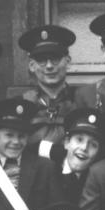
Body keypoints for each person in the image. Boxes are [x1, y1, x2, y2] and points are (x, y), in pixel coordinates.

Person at [18, 24, 79, 165]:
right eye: (41, 60)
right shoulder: (22, 105)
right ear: (32, 66)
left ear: (68, 62)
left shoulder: (81, 99)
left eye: (55, 58)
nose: (49, 66)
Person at [54, 108, 102, 205]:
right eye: (79, 140)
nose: (84, 148)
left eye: (93, 145)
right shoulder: (47, 170)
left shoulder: (96, 183)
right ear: (67, 142)